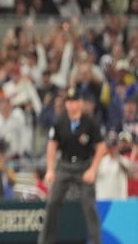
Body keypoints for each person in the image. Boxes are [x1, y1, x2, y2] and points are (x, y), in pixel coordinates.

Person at [38, 90, 106, 244]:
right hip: (65, 165)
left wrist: (93, 169)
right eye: (69, 102)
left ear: (81, 103)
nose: (71, 105)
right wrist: (50, 169)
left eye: (75, 101)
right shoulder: (60, 121)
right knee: (53, 202)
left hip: (84, 165)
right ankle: (45, 241)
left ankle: (96, 242)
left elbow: (101, 147)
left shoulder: (90, 122)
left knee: (89, 206)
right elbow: (52, 145)